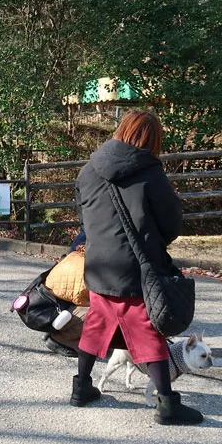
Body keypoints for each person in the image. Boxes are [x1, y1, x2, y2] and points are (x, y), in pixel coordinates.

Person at [71, 110, 202, 425]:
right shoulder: (149, 173)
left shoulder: (88, 170)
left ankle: (81, 388)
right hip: (136, 269)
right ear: (151, 140)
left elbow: (83, 218)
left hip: (99, 265)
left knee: (96, 325)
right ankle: (168, 404)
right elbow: (171, 225)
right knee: (147, 333)